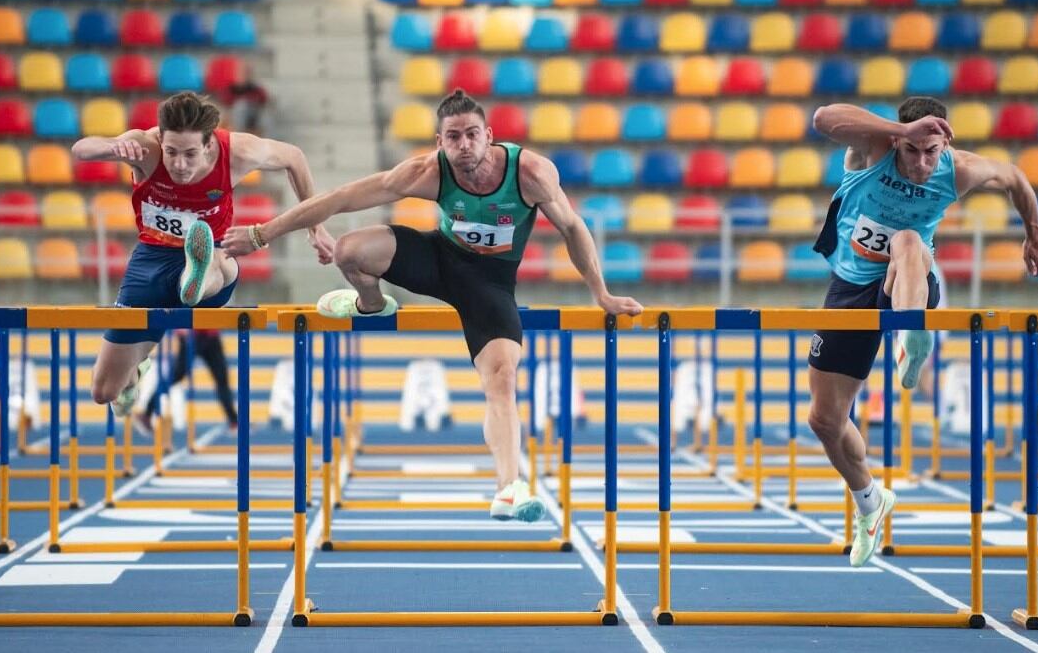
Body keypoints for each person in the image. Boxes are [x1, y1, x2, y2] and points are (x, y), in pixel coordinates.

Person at [222, 89, 643, 523]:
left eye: (472, 135)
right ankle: (371, 305)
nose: (464, 145)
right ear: (439, 143)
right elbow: (342, 198)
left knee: (501, 378)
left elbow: (572, 228)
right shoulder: (428, 172)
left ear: (489, 136)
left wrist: (601, 293)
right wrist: (262, 233)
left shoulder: (531, 173)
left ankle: (508, 489)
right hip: (437, 260)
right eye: (453, 137)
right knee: (349, 250)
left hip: (490, 284)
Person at [808, 96, 1038, 568]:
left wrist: (1035, 230)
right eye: (913, 151)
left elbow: (1014, 177)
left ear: (945, 144)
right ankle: (870, 502)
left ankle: (911, 336)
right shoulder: (872, 149)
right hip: (851, 284)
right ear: (897, 141)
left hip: (914, 279)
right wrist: (901, 130)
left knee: (908, 240)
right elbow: (822, 118)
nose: (922, 163)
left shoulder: (956, 169)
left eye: (931, 152)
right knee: (825, 421)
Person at [71, 91, 335, 418]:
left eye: (190, 154)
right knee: (103, 391)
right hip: (151, 262)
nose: (180, 165)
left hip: (213, 259)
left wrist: (316, 228)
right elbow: (81, 150)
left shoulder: (237, 152)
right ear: (160, 140)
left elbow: (294, 157)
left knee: (216, 261)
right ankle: (136, 370)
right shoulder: (144, 147)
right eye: (171, 152)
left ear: (209, 144)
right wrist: (113, 147)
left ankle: (195, 276)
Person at [135, 329, 237, 436]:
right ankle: (147, 413)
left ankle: (234, 421)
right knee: (174, 378)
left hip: (210, 334)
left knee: (222, 379)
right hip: (192, 335)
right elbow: (174, 312)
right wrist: (180, 330)